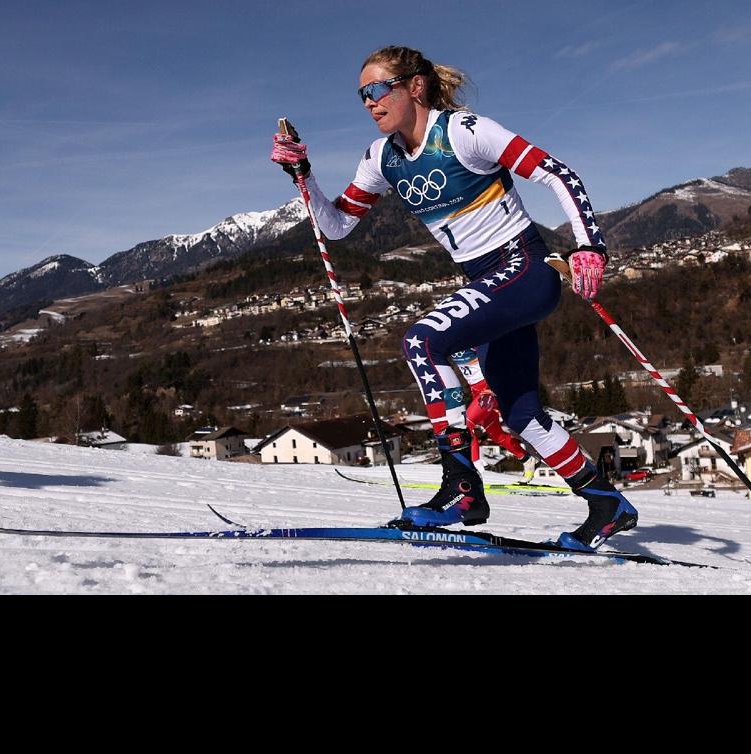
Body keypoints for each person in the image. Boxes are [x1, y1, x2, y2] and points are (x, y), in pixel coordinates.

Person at [269, 45, 636, 551]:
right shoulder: (382, 158)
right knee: (520, 413)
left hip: (524, 268)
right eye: (362, 96)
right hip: (488, 282)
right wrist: (303, 175)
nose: (370, 104)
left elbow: (559, 174)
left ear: (413, 86)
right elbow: (337, 226)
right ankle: (606, 503)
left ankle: (462, 489)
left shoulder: (465, 132)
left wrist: (590, 247)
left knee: (423, 341)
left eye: (377, 90)